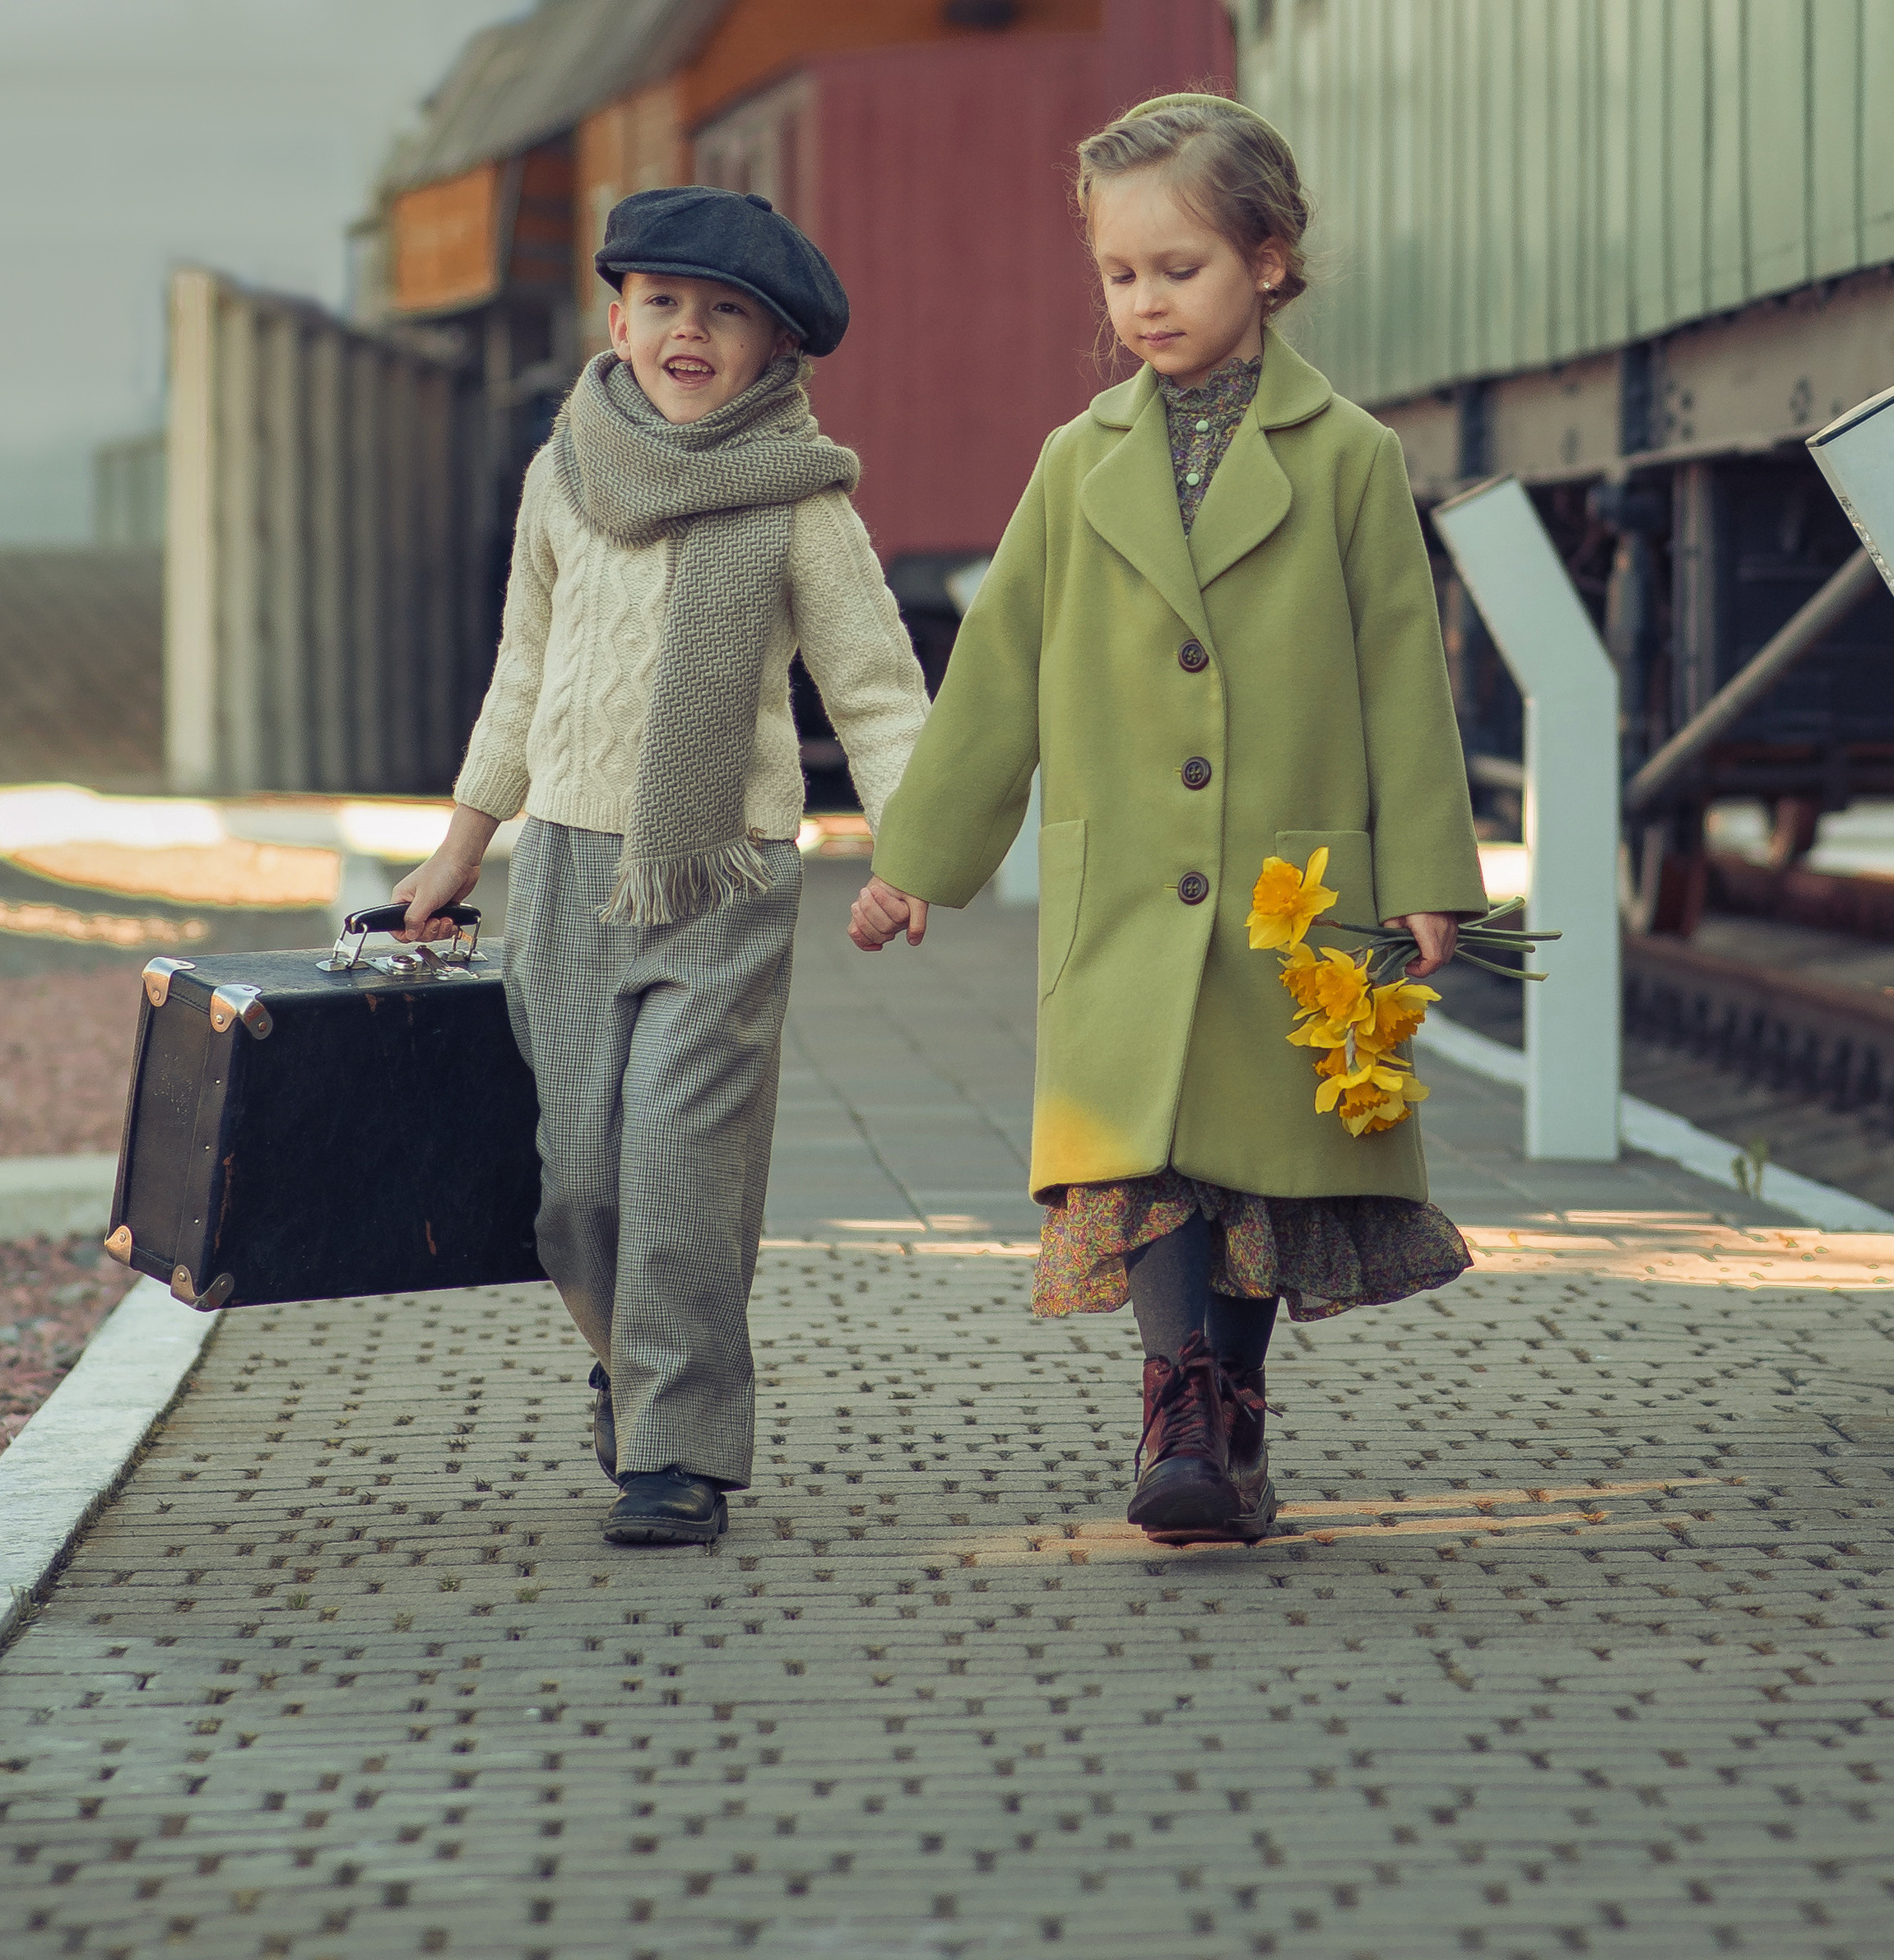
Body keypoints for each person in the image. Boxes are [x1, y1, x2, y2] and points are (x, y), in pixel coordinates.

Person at [848, 95, 1485, 1546]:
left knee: (1254, 1160)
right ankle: (1180, 1407)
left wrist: (1434, 876)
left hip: (1294, 890)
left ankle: (1231, 1414)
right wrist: (914, 864)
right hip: (1128, 885)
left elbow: (1405, 677)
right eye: (1119, 276)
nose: (1143, 302)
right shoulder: (1079, 462)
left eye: (1177, 269)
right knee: (1144, 1157)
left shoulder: (1350, 460)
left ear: (1268, 260)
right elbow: (997, 673)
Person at [397, 186, 929, 1550]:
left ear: (774, 349)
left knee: (682, 1172)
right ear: (617, 317)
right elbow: (523, 667)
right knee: (576, 1188)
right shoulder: (564, 474)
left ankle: (677, 1451)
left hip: (725, 875)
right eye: (665, 302)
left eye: (727, 311)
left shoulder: (801, 498)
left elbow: (874, 690)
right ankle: (631, 1365)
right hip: (567, 872)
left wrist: (913, 848)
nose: (691, 330)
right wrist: (463, 845)